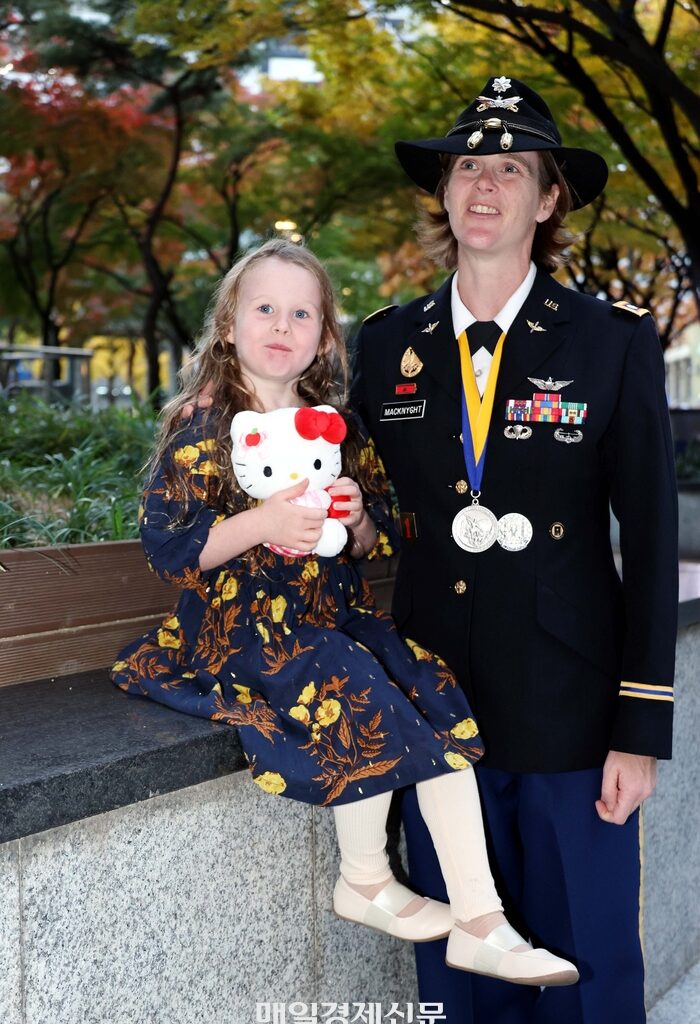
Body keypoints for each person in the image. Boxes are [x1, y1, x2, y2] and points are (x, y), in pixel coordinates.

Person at [111, 237, 579, 986]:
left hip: (330, 616)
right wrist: (260, 523)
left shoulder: (337, 427)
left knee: (426, 685)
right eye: (264, 307)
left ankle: (477, 919)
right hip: (242, 631)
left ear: (324, 337)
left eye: (303, 313)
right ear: (229, 323)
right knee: (350, 678)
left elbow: (379, 536)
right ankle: (369, 880)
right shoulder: (204, 427)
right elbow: (169, 549)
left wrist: (358, 518)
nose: (282, 324)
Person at [351, 76, 678, 1023]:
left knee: (589, 961)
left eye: (510, 169)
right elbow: (359, 492)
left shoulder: (610, 342)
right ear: (443, 194)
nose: (482, 187)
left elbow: (652, 539)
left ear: (548, 199)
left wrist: (640, 727)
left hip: (572, 711)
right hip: (435, 701)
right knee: (463, 965)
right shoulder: (386, 344)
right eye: (465, 168)